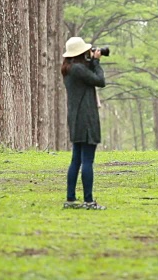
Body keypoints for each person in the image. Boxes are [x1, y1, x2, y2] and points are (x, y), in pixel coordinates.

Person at [61, 37, 106, 210]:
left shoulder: (69, 69)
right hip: (86, 118)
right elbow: (100, 81)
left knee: (76, 160)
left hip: (75, 118)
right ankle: (88, 200)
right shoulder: (79, 69)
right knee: (87, 160)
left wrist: (92, 61)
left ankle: (71, 199)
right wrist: (96, 62)